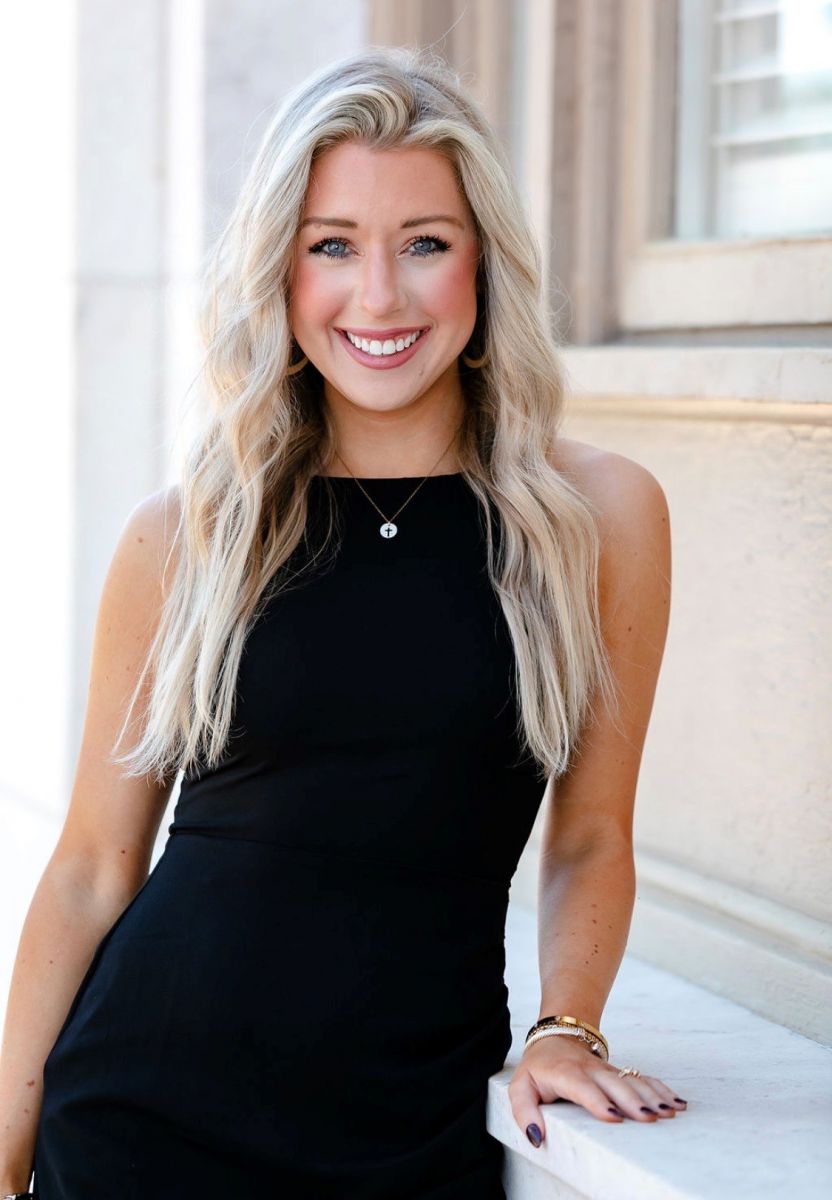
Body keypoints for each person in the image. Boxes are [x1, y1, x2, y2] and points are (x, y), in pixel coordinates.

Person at [0, 44, 680, 1200]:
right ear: (280, 270)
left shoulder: (597, 518)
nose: (378, 296)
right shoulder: (189, 534)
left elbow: (588, 836)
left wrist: (569, 1028)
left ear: (483, 267)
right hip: (139, 1116)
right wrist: (5, 1152)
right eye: (331, 246)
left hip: (407, 1122)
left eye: (425, 243)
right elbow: (90, 868)